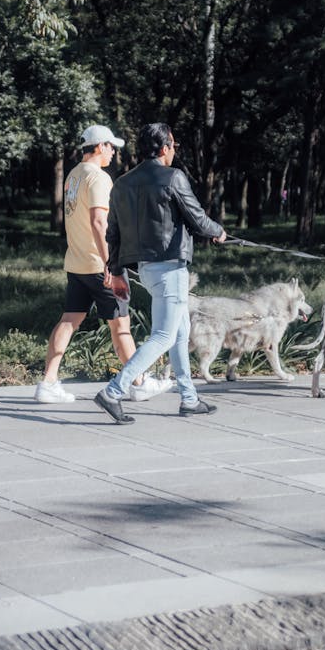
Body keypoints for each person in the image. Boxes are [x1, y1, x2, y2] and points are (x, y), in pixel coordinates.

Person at [94, 122, 226, 425]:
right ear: (165, 147)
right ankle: (114, 391)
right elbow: (197, 217)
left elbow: (112, 233)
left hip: (146, 271)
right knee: (165, 336)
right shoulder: (173, 177)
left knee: (180, 333)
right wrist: (218, 232)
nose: (174, 150)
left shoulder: (123, 183)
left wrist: (115, 272)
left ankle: (189, 399)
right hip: (170, 268)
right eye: (174, 145)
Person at [35, 124, 172, 404]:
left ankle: (48, 383)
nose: (113, 152)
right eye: (111, 146)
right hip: (99, 265)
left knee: (69, 320)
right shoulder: (98, 178)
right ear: (99, 147)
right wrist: (111, 263)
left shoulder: (73, 176)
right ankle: (139, 382)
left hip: (77, 262)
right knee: (120, 323)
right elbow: (99, 221)